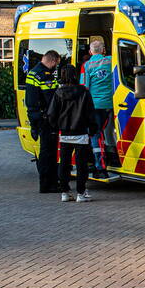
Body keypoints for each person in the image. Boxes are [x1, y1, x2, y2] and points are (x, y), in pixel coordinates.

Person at [48, 65, 100, 202]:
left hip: (64, 133)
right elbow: (90, 113)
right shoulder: (84, 92)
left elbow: (52, 114)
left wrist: (56, 127)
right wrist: (93, 129)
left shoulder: (58, 93)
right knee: (81, 164)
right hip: (81, 132)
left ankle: (65, 192)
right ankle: (80, 193)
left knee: (64, 163)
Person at [25, 50, 60, 193]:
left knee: (45, 151)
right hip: (46, 118)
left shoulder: (33, 73)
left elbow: (31, 99)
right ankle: (48, 184)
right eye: (56, 64)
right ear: (52, 61)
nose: (55, 67)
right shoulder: (45, 75)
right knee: (48, 152)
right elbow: (51, 98)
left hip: (36, 117)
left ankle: (47, 183)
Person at [80, 39, 115, 178]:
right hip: (112, 104)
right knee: (109, 132)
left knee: (95, 135)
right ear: (104, 50)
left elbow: (84, 87)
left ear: (90, 52)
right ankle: (112, 157)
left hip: (95, 106)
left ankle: (100, 167)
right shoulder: (111, 60)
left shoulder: (87, 65)